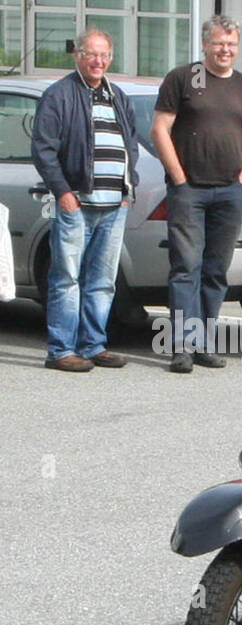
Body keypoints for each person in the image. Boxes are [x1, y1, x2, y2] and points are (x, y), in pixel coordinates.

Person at [152, 14, 242, 372]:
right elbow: (160, 128)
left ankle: (204, 343)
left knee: (216, 270)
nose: (225, 50)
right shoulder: (186, 78)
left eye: (231, 44)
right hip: (190, 191)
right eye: (219, 43)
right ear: (205, 44)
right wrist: (179, 178)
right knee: (186, 267)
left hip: (229, 193)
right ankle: (182, 346)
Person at [30, 29, 138, 372]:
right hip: (76, 203)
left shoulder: (118, 96)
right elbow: (43, 149)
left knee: (103, 281)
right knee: (66, 278)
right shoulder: (59, 95)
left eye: (104, 55)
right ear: (77, 55)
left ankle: (93, 344)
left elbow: (130, 146)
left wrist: (127, 189)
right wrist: (63, 191)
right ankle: (61, 350)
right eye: (91, 54)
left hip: (113, 206)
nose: (98, 61)